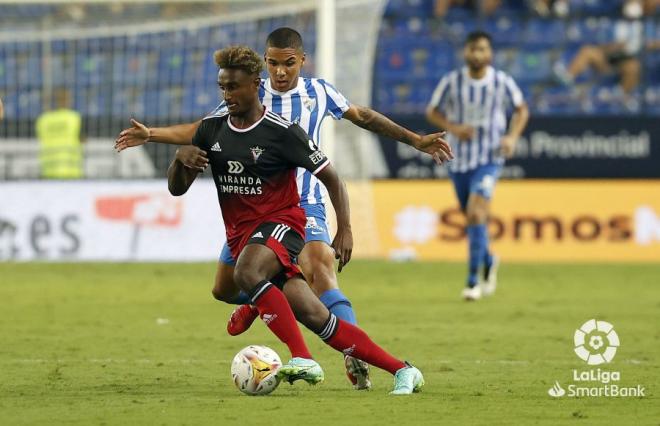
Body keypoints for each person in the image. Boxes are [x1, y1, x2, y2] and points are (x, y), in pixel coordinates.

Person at [116, 27, 452, 389]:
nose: (279, 72)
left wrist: (413, 143)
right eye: (272, 63)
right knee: (245, 294)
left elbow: (360, 125)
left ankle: (313, 357)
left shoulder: (308, 103)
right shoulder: (227, 114)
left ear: (300, 62)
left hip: (296, 208)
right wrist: (163, 144)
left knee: (314, 273)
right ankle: (401, 368)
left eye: (287, 64)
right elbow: (194, 140)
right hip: (245, 220)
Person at [425, 30, 529, 301]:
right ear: (466, 52)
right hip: (458, 159)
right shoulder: (453, 81)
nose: (477, 54)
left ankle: (473, 281)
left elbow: (521, 109)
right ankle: (490, 259)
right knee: (473, 217)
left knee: (474, 213)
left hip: (490, 157)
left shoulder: (502, 81)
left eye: (482, 49)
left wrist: (512, 137)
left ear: (490, 53)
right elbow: (432, 111)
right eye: (473, 49)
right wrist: (454, 128)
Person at [36, 89, 84, 179]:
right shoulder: (74, 117)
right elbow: (83, 140)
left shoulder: (43, 119)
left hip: (48, 170)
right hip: (71, 170)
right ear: (66, 101)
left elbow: (40, 137)